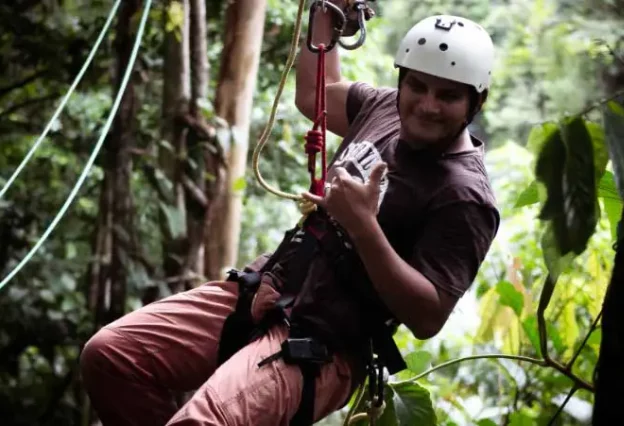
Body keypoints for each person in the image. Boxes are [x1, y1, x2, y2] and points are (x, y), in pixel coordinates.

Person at [79, 3, 500, 425]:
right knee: (111, 356)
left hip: (326, 340)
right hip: (269, 290)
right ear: (402, 82)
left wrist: (364, 228)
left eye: (448, 95)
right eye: (418, 86)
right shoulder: (385, 109)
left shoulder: (464, 195)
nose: (427, 105)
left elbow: (427, 316)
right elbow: (315, 94)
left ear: (475, 102)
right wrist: (327, 13)